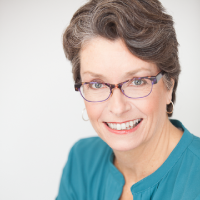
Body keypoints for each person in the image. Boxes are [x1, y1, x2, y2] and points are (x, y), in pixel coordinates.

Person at [56, 0, 200, 199]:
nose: (117, 107)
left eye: (137, 81)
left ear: (169, 85)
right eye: (97, 84)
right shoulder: (82, 161)